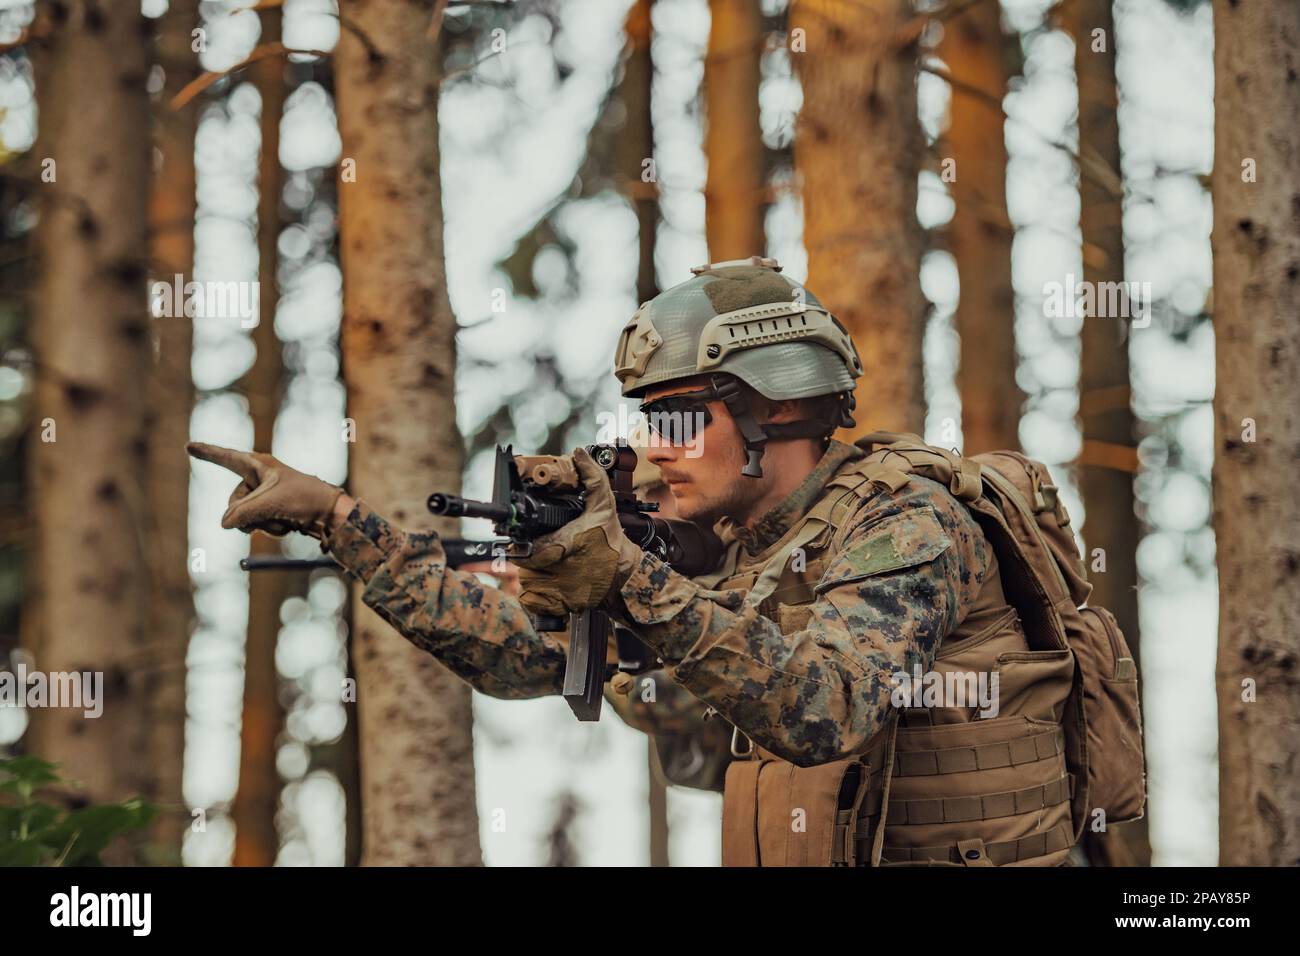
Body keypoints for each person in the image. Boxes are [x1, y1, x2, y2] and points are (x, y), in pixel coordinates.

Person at [190, 258, 1077, 866]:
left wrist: (627, 579)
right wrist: (339, 519)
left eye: (680, 418)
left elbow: (826, 707)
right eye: (649, 421)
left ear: (774, 409)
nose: (657, 448)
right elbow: (516, 657)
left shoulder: (908, 520)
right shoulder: (728, 546)